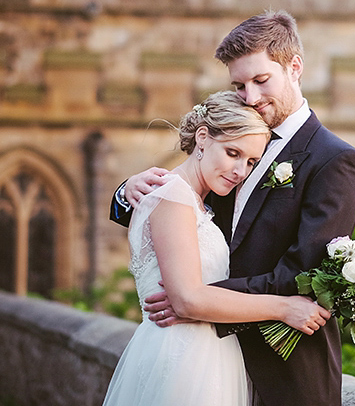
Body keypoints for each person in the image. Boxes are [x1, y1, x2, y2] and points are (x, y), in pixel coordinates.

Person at [110, 10, 355, 406]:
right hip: (205, 365)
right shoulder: (239, 141)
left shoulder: (334, 160)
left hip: (286, 370)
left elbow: (299, 275)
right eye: (239, 84)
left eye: (261, 80)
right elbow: (181, 210)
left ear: (294, 67)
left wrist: (197, 299)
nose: (251, 97)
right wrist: (127, 192)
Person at [101, 90, 331, 406]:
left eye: (251, 161)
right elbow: (187, 299)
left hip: (211, 355)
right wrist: (284, 307)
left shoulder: (202, 203)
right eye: (232, 153)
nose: (240, 172)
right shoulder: (173, 195)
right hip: (181, 359)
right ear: (203, 138)